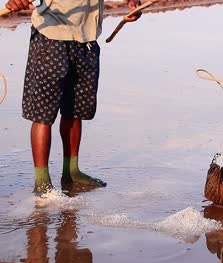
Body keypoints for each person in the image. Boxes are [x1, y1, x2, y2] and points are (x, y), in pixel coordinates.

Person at [5, 0, 142, 194]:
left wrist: (134, 3)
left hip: (86, 39)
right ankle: (42, 182)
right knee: (43, 115)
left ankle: (71, 172)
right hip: (50, 36)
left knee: (75, 110)